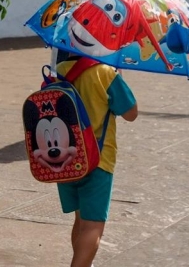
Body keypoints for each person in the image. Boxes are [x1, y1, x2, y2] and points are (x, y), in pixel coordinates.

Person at [55, 56, 138, 267]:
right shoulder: (106, 73)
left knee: (81, 220)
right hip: (98, 161)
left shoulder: (62, 69)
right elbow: (131, 113)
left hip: (66, 159)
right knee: (93, 227)